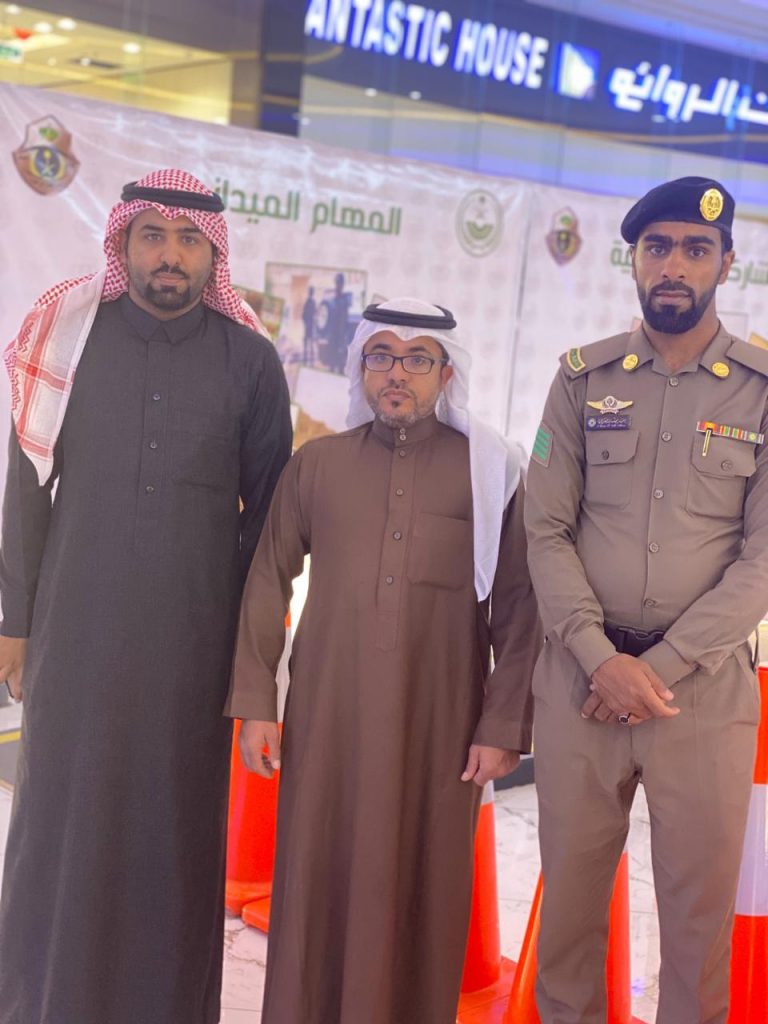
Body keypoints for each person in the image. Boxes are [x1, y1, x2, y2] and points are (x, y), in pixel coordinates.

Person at [0, 168, 292, 1024]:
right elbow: (26, 492)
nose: (171, 255)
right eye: (153, 236)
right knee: (59, 818)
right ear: (123, 243)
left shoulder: (251, 362)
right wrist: (15, 623)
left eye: (190, 239)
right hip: (72, 633)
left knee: (172, 832)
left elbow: (270, 530)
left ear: (214, 255)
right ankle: (40, 1000)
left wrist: (251, 666)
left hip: (192, 648)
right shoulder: (69, 343)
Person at [226, 297, 541, 1024]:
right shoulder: (317, 465)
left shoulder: (489, 472)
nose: (397, 373)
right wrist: (256, 704)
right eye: (381, 356)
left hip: (439, 725)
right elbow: (267, 578)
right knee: (315, 877)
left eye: (417, 359)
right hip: (328, 718)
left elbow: (520, 608)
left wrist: (502, 726)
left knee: (424, 886)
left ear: (446, 373)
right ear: (361, 367)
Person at [525, 176, 768, 1024]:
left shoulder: (761, 391)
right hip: (580, 685)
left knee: (698, 927)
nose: (675, 266)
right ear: (634, 259)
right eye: (658, 248)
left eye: (696, 250)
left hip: (700, 693)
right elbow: (544, 530)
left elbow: (763, 560)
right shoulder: (580, 380)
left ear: (726, 264)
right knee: (567, 915)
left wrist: (653, 670)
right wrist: (601, 660)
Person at [301, 285, 316, 364]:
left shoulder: (312, 302)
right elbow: (303, 314)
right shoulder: (308, 302)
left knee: (310, 342)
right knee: (307, 342)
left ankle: (310, 359)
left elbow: (314, 313)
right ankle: (306, 358)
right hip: (308, 325)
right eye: (311, 291)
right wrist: (306, 322)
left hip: (311, 325)